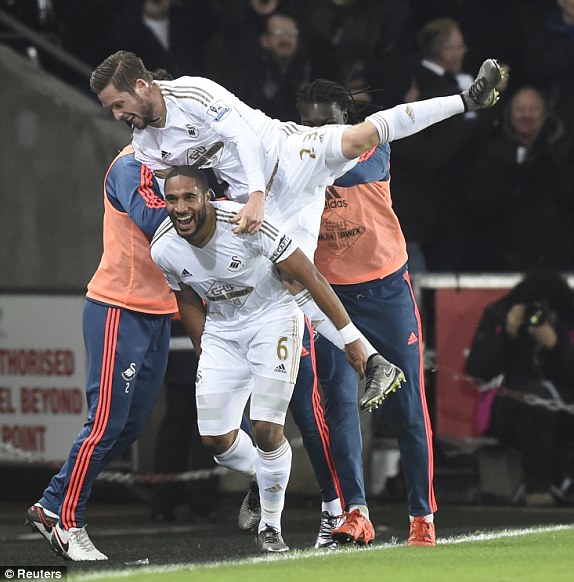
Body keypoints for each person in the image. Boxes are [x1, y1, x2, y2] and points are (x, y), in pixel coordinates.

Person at [89, 49, 504, 410]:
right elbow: (185, 192)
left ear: (142, 86)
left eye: (119, 103)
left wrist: (253, 196)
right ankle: (372, 361)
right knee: (294, 279)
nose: (118, 114)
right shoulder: (144, 145)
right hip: (271, 203)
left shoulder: (193, 92)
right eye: (111, 109)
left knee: (360, 138)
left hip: (285, 154)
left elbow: (245, 139)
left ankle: (467, 98)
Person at [149, 165, 371, 552]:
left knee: (268, 429)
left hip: (274, 319)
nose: (179, 208)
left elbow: (312, 277)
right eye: (171, 199)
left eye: (188, 197)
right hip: (221, 330)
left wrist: (350, 338)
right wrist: (206, 351)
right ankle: (261, 474)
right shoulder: (163, 246)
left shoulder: (249, 224)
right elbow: (185, 296)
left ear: (207, 198)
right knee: (215, 441)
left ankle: (271, 528)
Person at [290, 79, 437, 547]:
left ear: (345, 121)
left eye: (325, 124)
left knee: (409, 404)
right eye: (307, 125)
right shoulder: (297, 154)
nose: (315, 134)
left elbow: (340, 172)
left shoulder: (372, 144)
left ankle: (422, 516)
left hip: (387, 291)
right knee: (339, 407)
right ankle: (356, 511)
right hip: (332, 298)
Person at [25, 144, 178, 561]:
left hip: (158, 311)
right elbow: (155, 220)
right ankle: (60, 514)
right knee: (107, 422)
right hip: (119, 308)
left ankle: (55, 504)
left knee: (128, 428)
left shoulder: (182, 160)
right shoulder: (131, 165)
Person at [387, 17, 505, 272]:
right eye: (459, 46)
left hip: (446, 209)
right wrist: (474, 115)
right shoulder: (422, 85)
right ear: (445, 52)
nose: (464, 52)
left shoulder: (450, 82)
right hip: (428, 209)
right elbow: (427, 153)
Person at [465, 270, 574, 506]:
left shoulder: (568, 320)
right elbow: (477, 370)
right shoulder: (501, 314)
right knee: (534, 397)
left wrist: (555, 346)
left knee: (544, 398)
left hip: (565, 408)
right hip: (511, 410)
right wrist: (507, 333)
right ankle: (538, 488)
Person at [464, 85, 574, 272]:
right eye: (520, 110)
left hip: (556, 254)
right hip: (502, 255)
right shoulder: (492, 153)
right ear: (509, 114)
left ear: (545, 114)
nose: (527, 116)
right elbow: (478, 202)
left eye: (533, 110)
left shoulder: (564, 153)